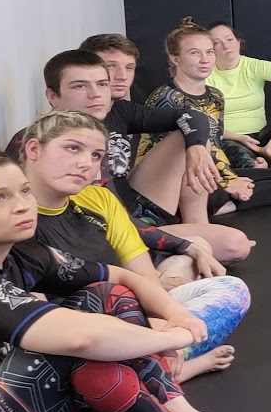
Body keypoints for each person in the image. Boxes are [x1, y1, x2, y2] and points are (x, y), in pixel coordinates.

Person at [0, 153, 258, 412]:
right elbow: (82, 339)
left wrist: (175, 315)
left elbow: (119, 276)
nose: (21, 206)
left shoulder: (26, 254)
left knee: (104, 297)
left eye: (24, 191)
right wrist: (172, 338)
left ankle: (175, 410)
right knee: (82, 340)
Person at [16, 112, 247, 371]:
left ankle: (158, 363)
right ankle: (168, 368)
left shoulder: (99, 199)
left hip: (125, 314)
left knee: (231, 290)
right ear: (34, 149)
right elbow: (33, 316)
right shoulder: (11, 217)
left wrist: (162, 324)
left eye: (96, 155)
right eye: (73, 148)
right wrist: (156, 336)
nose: (85, 163)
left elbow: (144, 277)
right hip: (71, 334)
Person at [23, 47, 251, 265]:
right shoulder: (38, 144)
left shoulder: (118, 111)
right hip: (107, 231)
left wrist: (197, 148)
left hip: (136, 211)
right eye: (80, 86)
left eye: (102, 84)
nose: (95, 94)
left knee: (231, 241)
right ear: (53, 96)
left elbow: (193, 116)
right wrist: (183, 245)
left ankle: (196, 225)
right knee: (228, 245)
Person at [140, 20, 271, 213]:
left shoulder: (215, 96)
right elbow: (175, 159)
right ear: (175, 58)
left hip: (208, 172)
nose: (205, 60)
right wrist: (226, 181)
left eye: (209, 52)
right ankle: (199, 207)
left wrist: (230, 176)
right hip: (172, 181)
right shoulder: (164, 99)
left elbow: (214, 141)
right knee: (219, 185)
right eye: (195, 53)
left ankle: (223, 205)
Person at [206, 22, 271, 169]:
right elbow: (204, 123)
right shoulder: (205, 75)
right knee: (230, 149)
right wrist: (239, 137)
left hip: (265, 139)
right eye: (217, 43)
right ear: (210, 50)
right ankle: (255, 165)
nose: (226, 46)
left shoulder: (253, 66)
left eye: (229, 39)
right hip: (229, 139)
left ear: (238, 42)